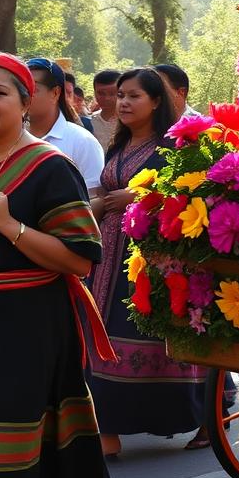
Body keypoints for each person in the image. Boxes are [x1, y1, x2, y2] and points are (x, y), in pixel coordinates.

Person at [0, 53, 113, 478]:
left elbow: (81, 258)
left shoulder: (48, 166)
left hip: (28, 320)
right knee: (45, 413)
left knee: (6, 426)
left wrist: (9, 225)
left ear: (25, 102)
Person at [86, 68, 207, 454]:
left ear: (157, 101)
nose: (123, 102)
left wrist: (138, 201)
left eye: (134, 95)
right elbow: (105, 192)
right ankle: (107, 431)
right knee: (101, 335)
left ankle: (206, 418)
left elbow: (191, 202)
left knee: (153, 334)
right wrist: (104, 204)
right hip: (108, 256)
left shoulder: (173, 149)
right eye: (120, 95)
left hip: (155, 258)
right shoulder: (118, 146)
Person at [25, 59, 104, 197]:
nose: (24, 95)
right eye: (20, 88)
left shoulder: (82, 141)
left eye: (32, 89)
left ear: (55, 93)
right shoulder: (10, 138)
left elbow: (95, 198)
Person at [90, 69, 120, 153]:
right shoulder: (89, 122)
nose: (107, 98)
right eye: (101, 93)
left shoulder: (132, 122)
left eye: (112, 93)